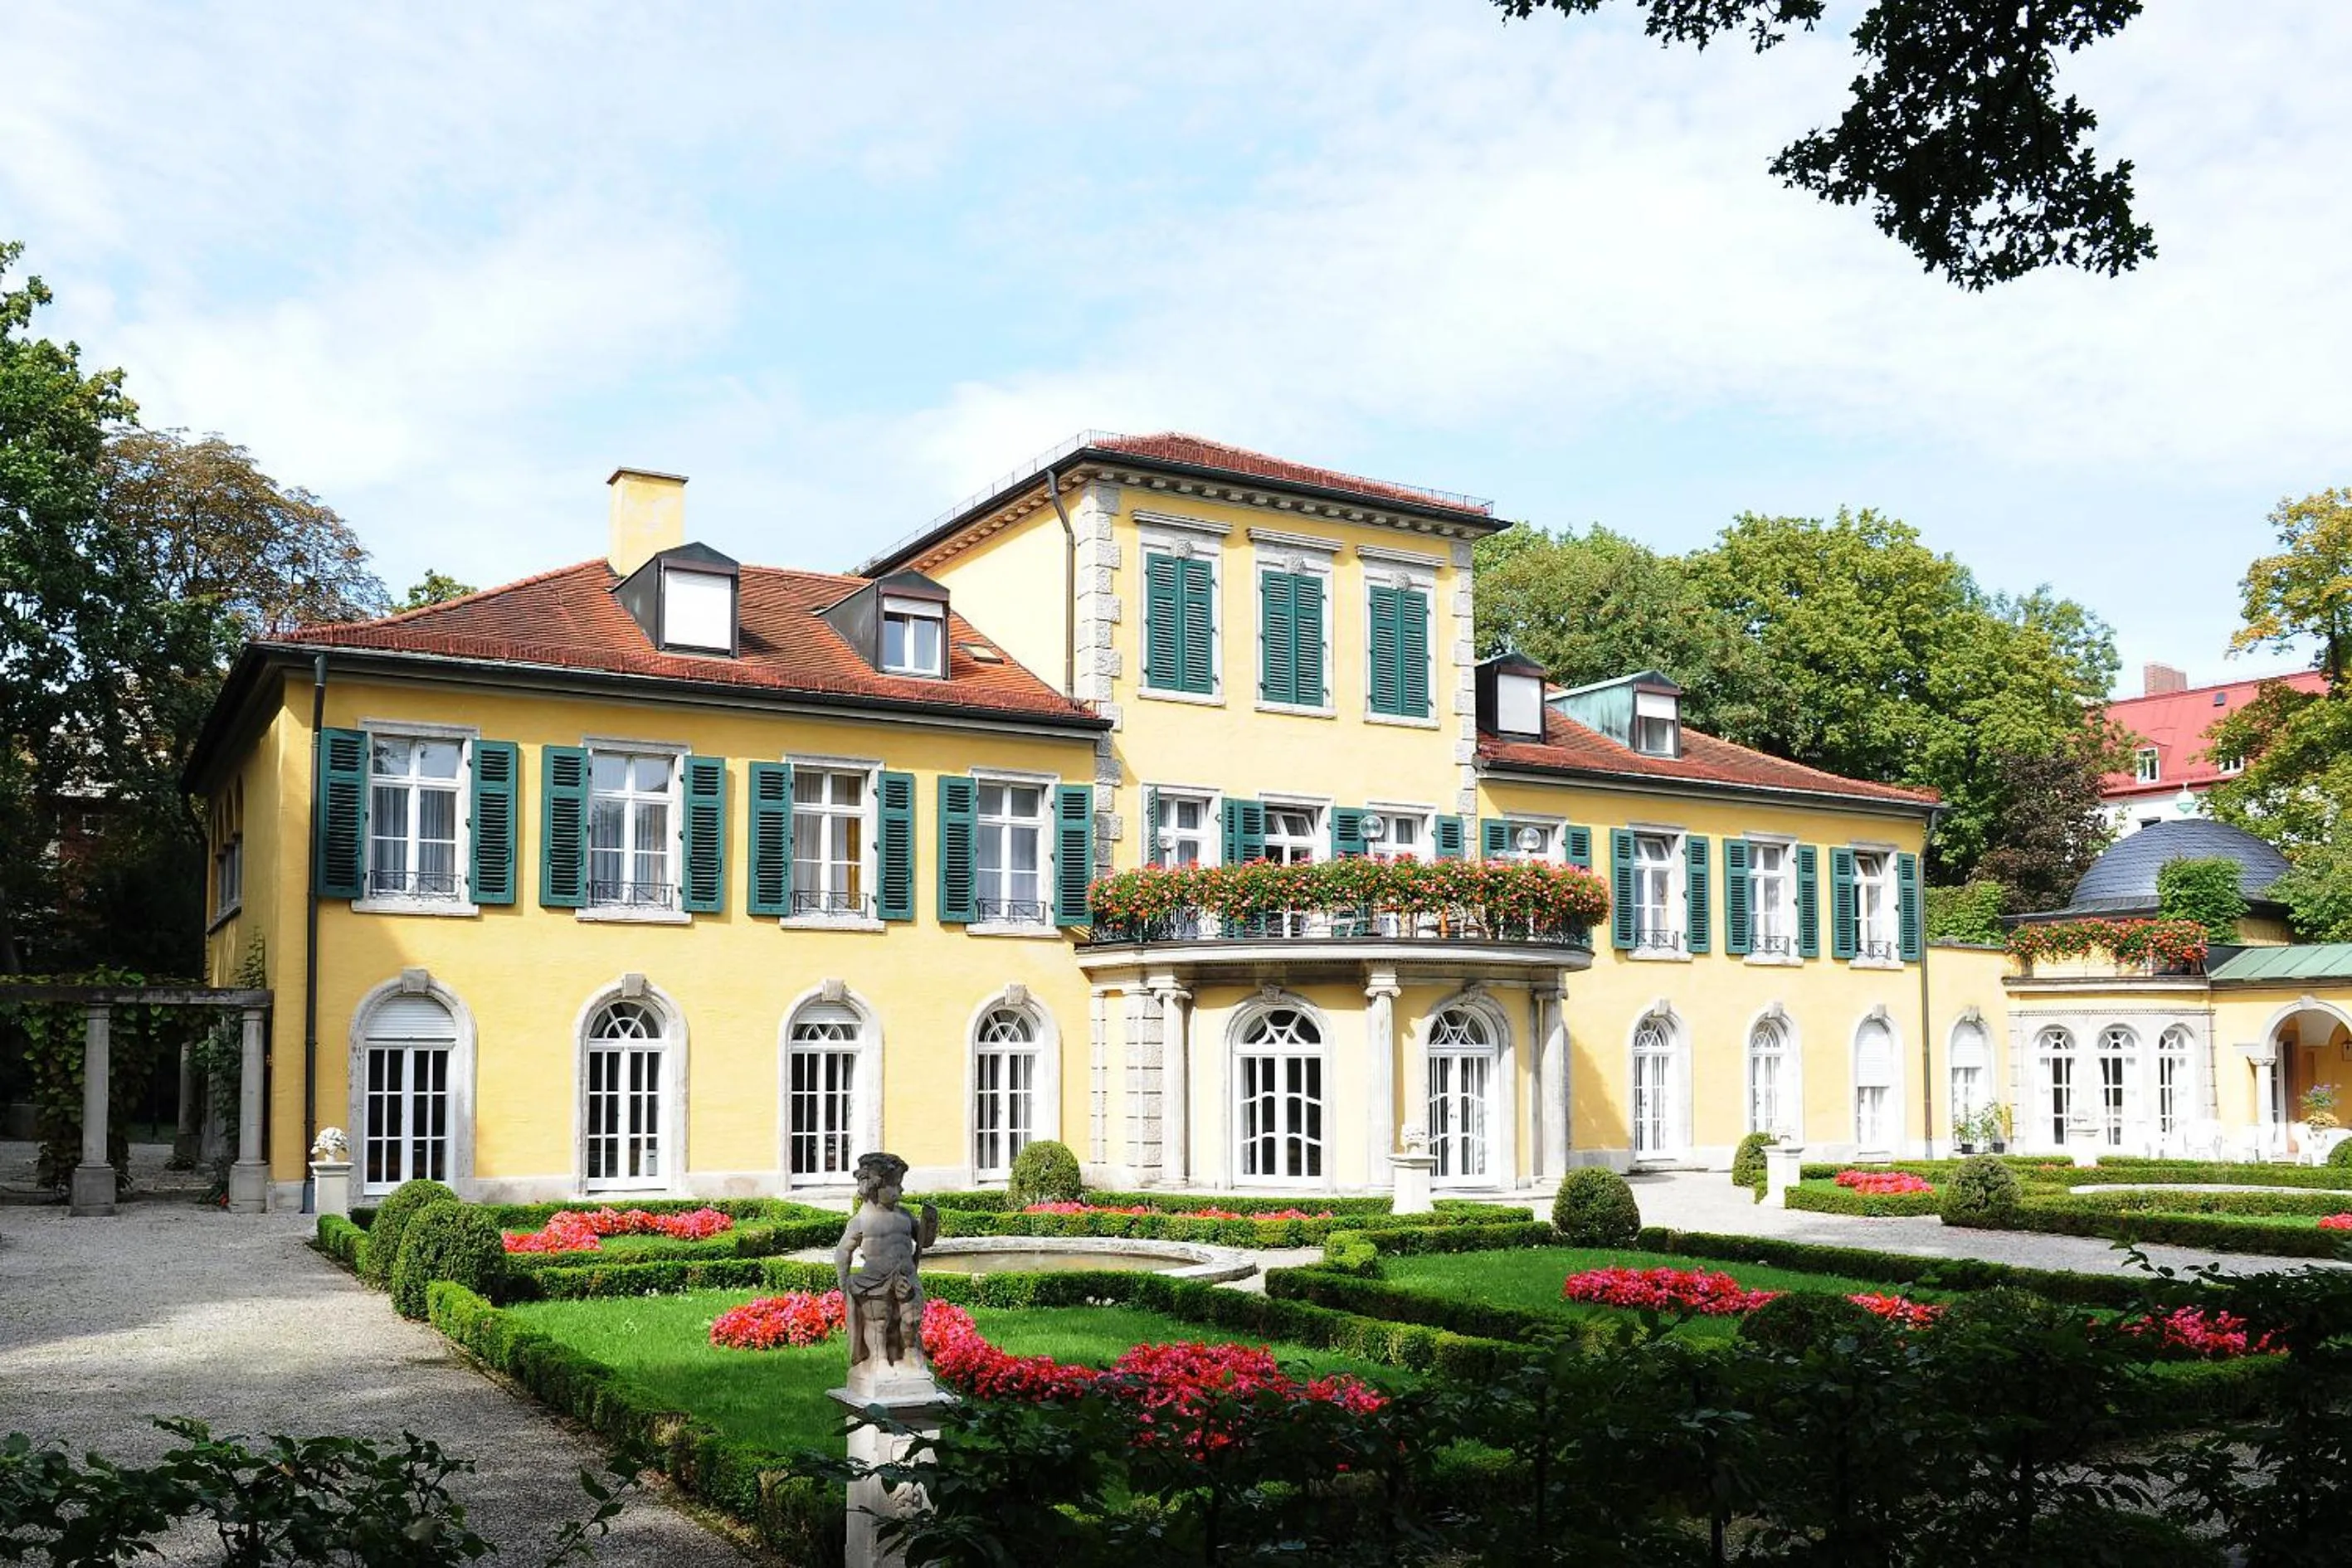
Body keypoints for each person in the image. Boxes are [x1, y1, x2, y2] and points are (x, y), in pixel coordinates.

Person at [835, 1152, 940, 1383]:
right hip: (874, 1281)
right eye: (894, 1185)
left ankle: (911, 1353)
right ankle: (879, 1360)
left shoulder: (904, 1216)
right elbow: (843, 1252)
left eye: (900, 1184)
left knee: (911, 1320)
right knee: (878, 1323)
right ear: (874, 1187)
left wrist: (930, 1224)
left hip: (906, 1277)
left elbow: (925, 1242)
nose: (900, 1191)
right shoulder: (862, 1220)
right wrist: (844, 1285)